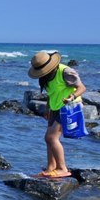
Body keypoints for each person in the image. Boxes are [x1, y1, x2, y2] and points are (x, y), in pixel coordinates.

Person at [27, 51, 86, 179]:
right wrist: (47, 108)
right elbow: (51, 93)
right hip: (55, 108)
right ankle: (50, 168)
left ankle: (62, 168)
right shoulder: (46, 77)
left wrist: (73, 96)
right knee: (48, 138)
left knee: (51, 137)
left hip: (69, 107)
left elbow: (82, 88)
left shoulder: (66, 72)